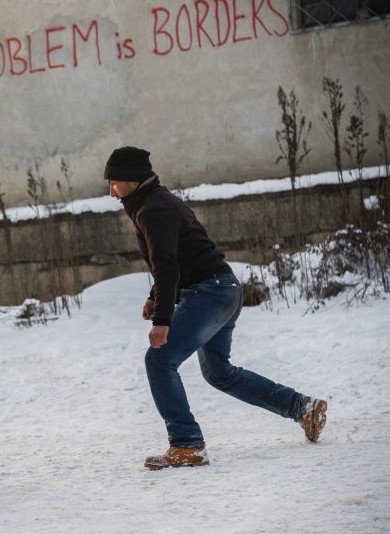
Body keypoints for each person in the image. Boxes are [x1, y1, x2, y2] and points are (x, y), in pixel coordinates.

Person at [105, 146, 329, 470]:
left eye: (114, 182)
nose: (111, 191)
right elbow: (177, 259)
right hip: (223, 288)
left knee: (159, 360)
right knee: (219, 373)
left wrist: (162, 320)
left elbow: (167, 265)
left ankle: (187, 444)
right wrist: (157, 297)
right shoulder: (156, 202)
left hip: (209, 292)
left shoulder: (153, 209)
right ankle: (303, 408)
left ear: (132, 179)